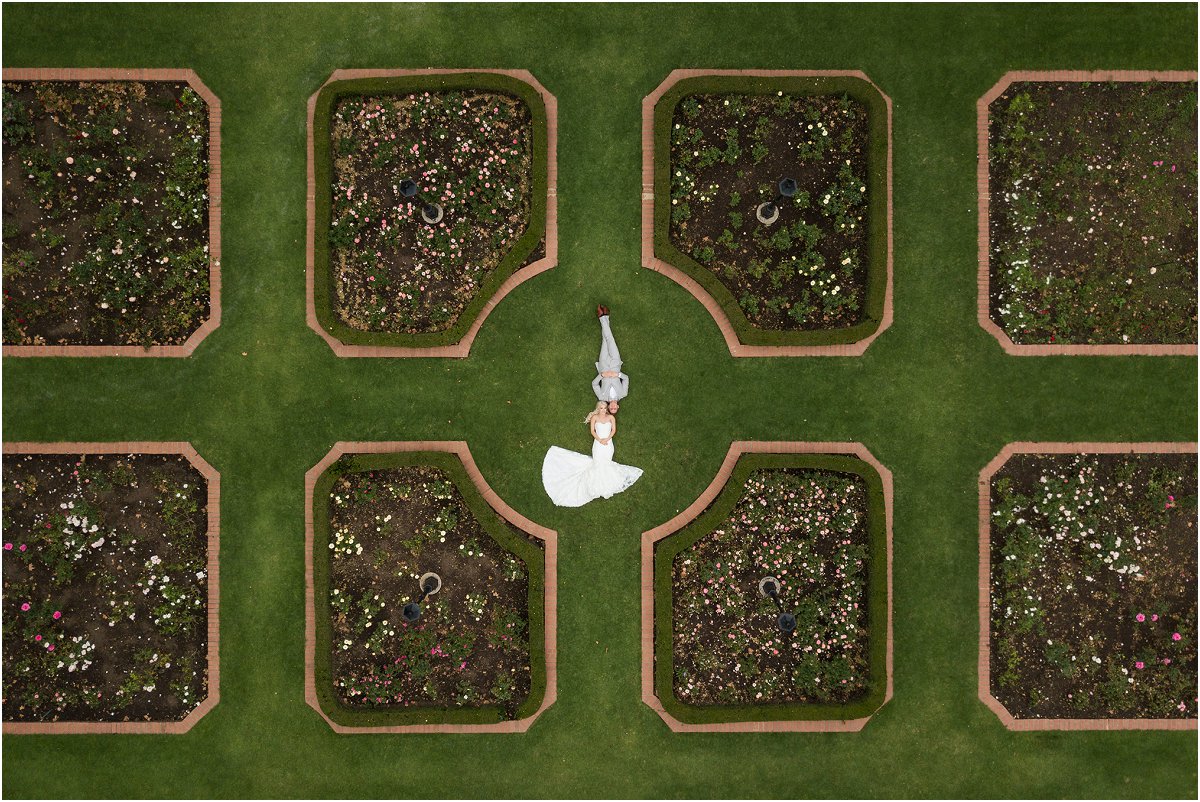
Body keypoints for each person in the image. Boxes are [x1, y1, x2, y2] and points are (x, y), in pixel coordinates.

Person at [542, 402, 642, 507]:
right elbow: (593, 431)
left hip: (608, 444)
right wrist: (600, 440)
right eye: (601, 408)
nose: (603, 410)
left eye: (605, 408)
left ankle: (606, 483)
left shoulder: (611, 418)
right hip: (598, 444)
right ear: (598, 409)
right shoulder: (595, 418)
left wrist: (607, 439)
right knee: (597, 463)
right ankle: (597, 485)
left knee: (607, 462)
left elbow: (613, 430)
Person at [592, 304, 628, 408]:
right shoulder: (623, 394)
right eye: (614, 408)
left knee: (605, 340)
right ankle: (602, 317)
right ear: (617, 407)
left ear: (608, 407)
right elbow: (626, 379)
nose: (612, 406)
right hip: (615, 362)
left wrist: (602, 375)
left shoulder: (602, 397)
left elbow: (594, 384)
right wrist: (618, 374)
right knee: (610, 340)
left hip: (603, 364)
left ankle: (605, 316)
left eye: (611, 408)